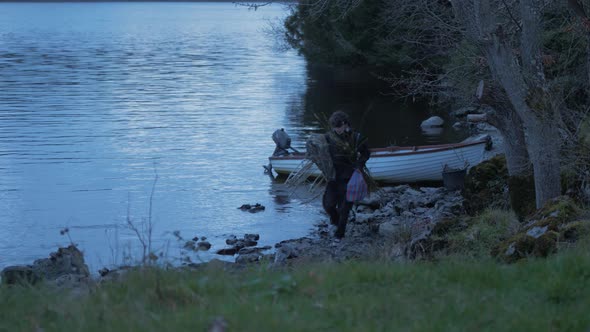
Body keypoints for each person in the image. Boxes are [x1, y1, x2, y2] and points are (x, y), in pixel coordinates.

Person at [322, 111, 370, 239]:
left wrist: (359, 166)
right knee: (328, 205)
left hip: (350, 177)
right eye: (334, 127)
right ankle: (335, 219)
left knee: (345, 208)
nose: (336, 130)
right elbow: (321, 151)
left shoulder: (356, 137)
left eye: (338, 127)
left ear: (344, 124)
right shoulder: (328, 137)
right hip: (333, 177)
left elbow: (366, 154)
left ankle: (340, 235)